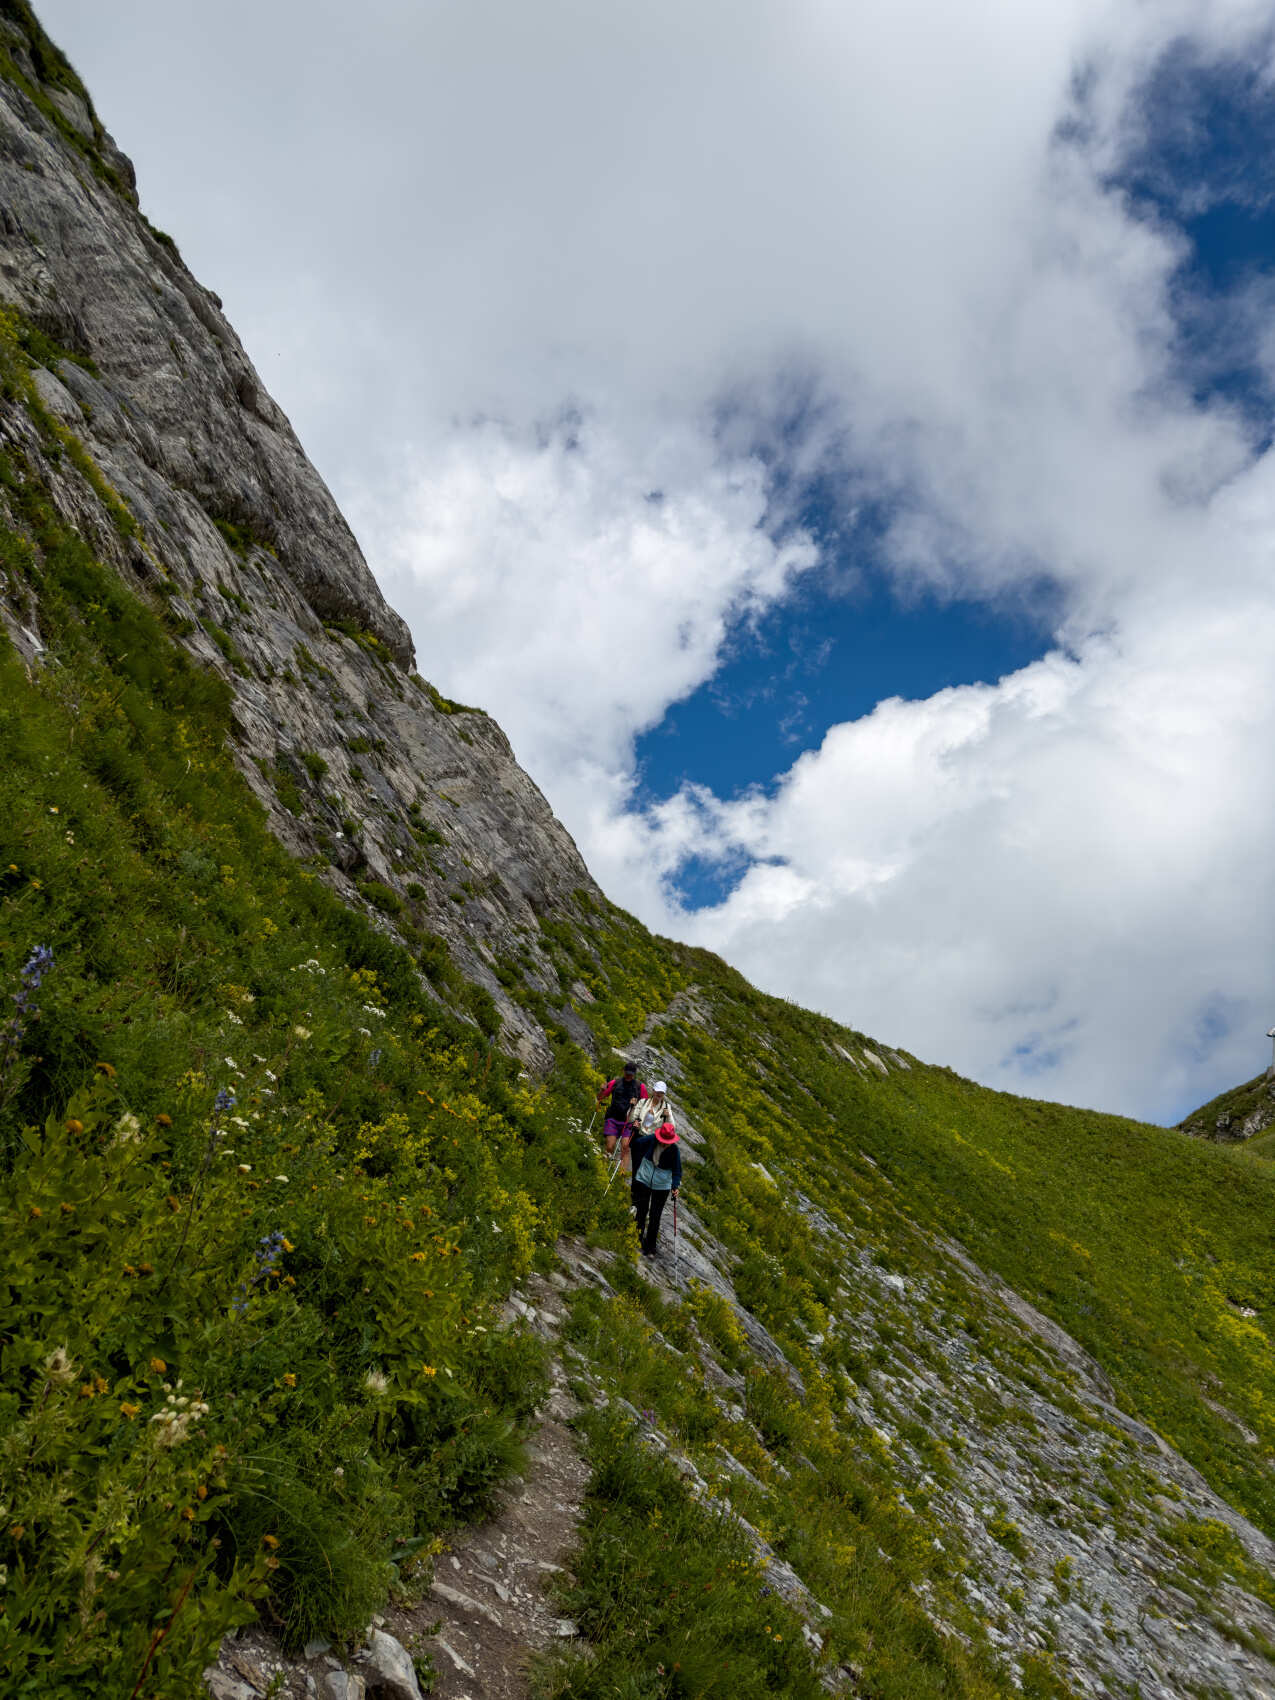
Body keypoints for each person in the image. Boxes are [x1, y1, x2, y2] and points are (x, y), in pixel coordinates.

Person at [629, 1120, 681, 1257]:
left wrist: (675, 1186)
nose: (665, 1144)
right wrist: (634, 1131)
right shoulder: (652, 1139)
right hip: (645, 1178)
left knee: (655, 1216)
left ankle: (650, 1247)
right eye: (664, 1141)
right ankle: (636, 1238)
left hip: (662, 1186)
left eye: (668, 1142)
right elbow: (635, 1144)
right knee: (641, 1210)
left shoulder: (674, 1150)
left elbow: (677, 1171)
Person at [596, 1061, 647, 1172]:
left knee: (625, 1148)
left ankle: (621, 1175)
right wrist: (602, 1090)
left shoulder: (640, 1087)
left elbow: (645, 1106)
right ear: (623, 1071)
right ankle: (603, 1169)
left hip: (629, 1121)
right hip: (613, 1118)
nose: (629, 1076)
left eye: (631, 1074)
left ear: (634, 1074)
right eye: (627, 1073)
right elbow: (600, 1098)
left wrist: (637, 1108)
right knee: (610, 1146)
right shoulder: (615, 1083)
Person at [625, 1079, 674, 1185]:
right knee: (637, 1165)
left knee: (645, 1167)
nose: (659, 1094)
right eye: (657, 1091)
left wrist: (668, 1116)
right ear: (653, 1091)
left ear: (664, 1094)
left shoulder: (666, 1108)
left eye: (661, 1092)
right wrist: (632, 1107)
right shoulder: (643, 1102)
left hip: (653, 1141)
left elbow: (671, 1127)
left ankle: (639, 1188)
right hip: (638, 1137)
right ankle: (635, 1189)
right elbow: (631, 1118)